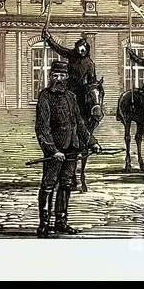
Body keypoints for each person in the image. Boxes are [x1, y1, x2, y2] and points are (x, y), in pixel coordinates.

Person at [35, 60, 95, 237]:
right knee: (48, 186)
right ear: (50, 77)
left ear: (67, 77)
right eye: (55, 76)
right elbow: (42, 128)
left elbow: (80, 124)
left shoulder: (71, 97)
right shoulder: (45, 97)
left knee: (66, 185)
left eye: (62, 76)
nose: (58, 79)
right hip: (56, 152)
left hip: (72, 149)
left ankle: (61, 221)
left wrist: (92, 142)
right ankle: (44, 225)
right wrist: (53, 150)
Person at [42, 28, 97, 120]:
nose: (81, 52)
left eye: (83, 50)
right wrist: (49, 39)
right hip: (68, 86)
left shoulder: (90, 64)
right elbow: (59, 49)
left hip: (81, 90)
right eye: (79, 50)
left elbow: (92, 80)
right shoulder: (72, 54)